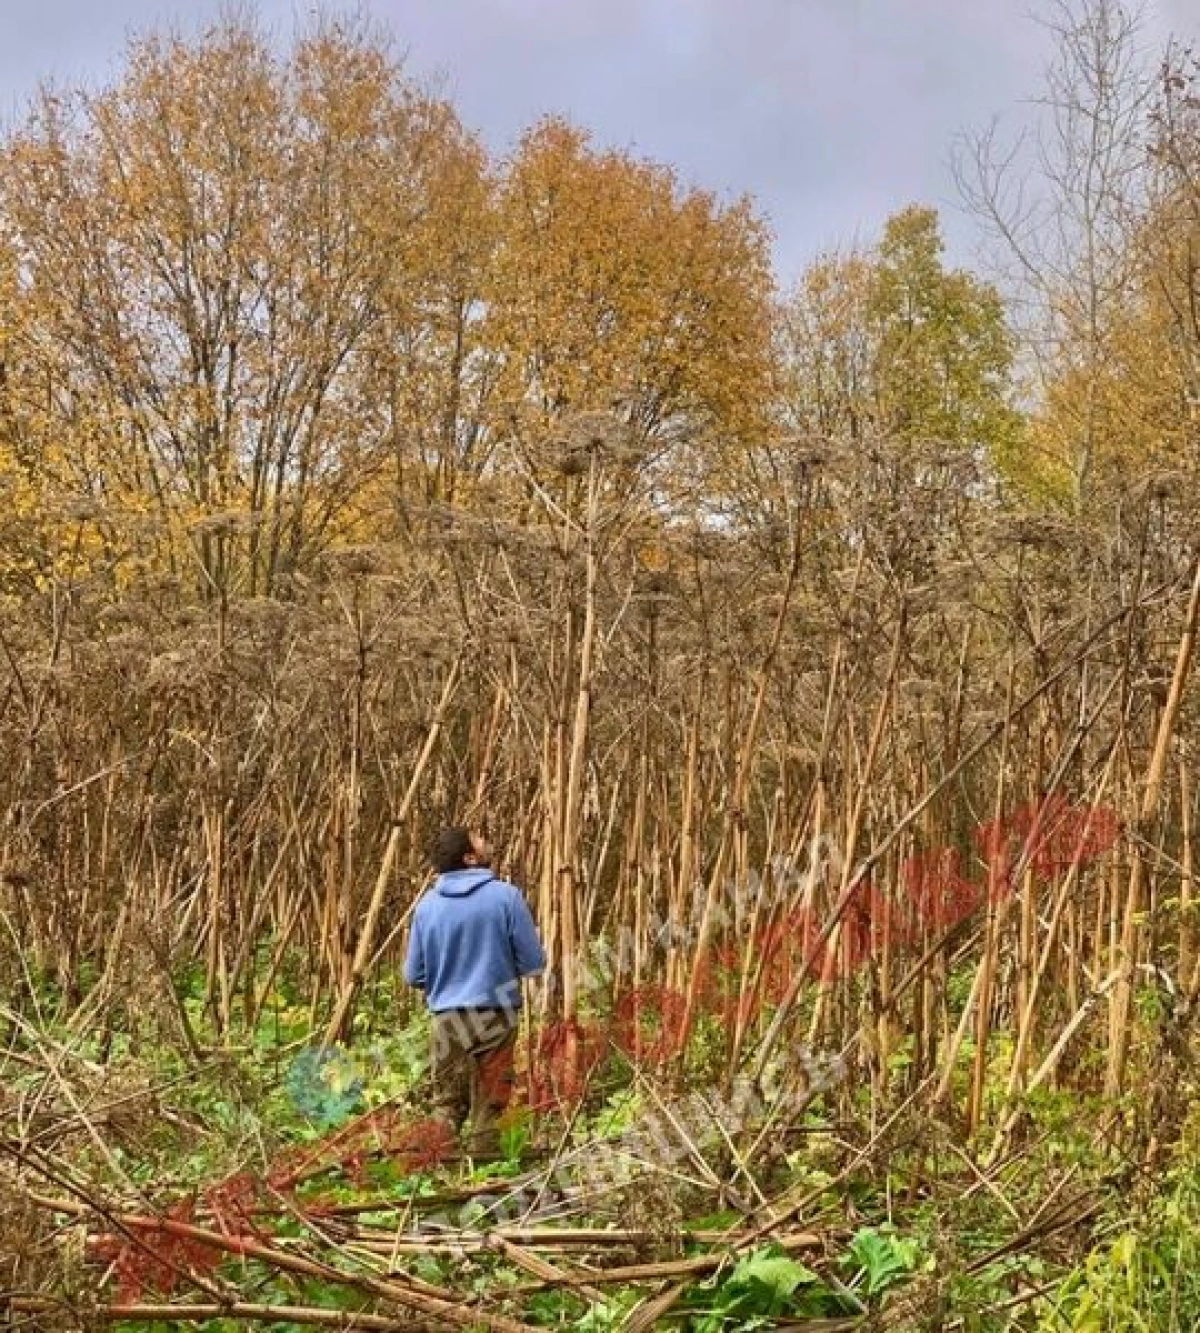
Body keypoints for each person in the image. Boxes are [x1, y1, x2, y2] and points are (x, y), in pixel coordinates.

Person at [403, 826, 546, 1155]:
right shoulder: (506, 897)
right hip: (497, 1015)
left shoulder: (427, 907)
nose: (485, 841)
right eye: (478, 840)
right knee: (491, 1103)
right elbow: (533, 963)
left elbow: (413, 974)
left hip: (448, 1019)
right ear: (469, 858)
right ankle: (485, 1171)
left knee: (446, 1105)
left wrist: (446, 978)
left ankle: (436, 1169)